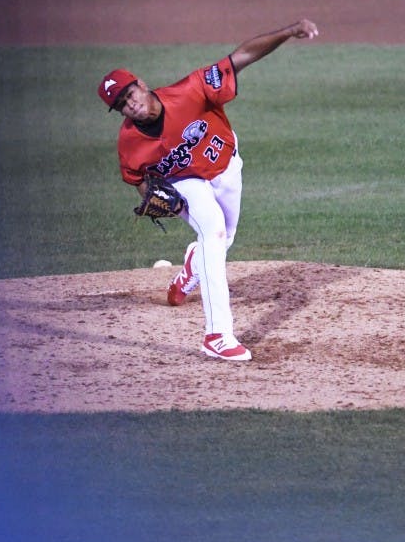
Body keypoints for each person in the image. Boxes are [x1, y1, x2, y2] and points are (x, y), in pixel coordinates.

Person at [98, 18, 319, 362]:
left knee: (224, 237)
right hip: (186, 183)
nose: (131, 105)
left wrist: (288, 32)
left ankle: (191, 268)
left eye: (130, 95)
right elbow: (137, 179)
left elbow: (240, 58)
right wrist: (152, 198)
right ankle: (217, 335)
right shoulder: (129, 143)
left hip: (227, 165)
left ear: (141, 85)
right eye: (122, 105)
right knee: (213, 234)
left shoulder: (192, 89)